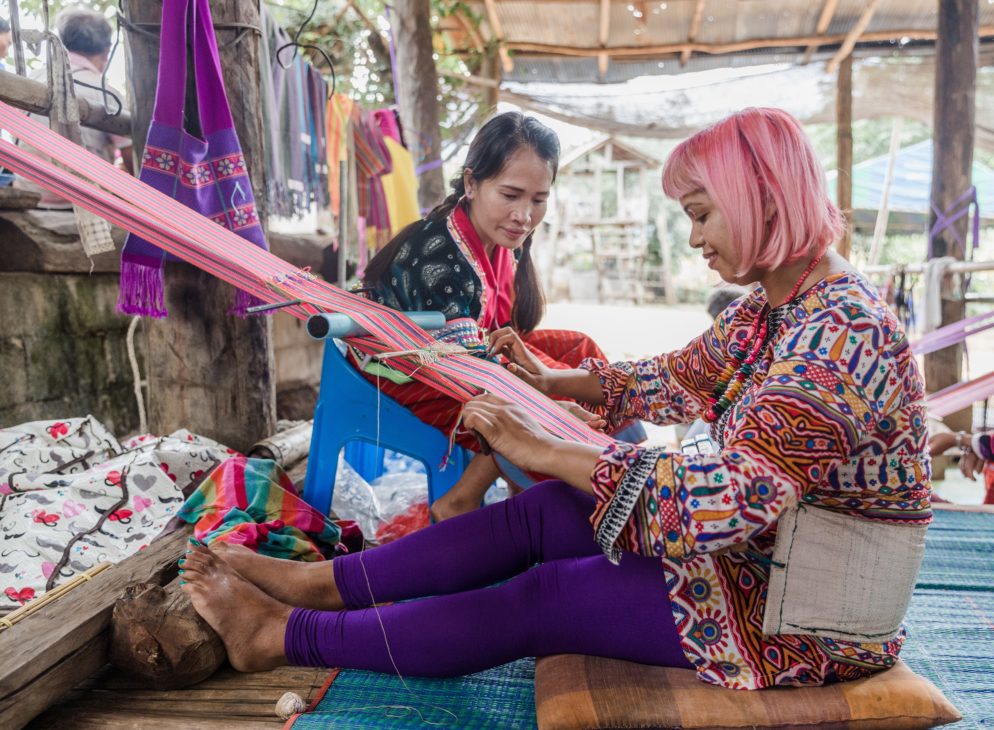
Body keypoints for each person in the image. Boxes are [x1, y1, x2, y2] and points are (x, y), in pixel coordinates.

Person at [179, 108, 931, 691]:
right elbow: (674, 378)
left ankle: (280, 636)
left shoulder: (841, 334)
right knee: (541, 510)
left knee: (543, 598)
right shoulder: (774, 309)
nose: (696, 238)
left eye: (702, 213)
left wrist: (549, 446)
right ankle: (319, 584)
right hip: (758, 560)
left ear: (760, 199)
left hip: (800, 614)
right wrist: (553, 386)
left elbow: (725, 499)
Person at [359, 111, 627, 521]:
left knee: (580, 352)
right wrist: (552, 406)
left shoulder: (505, 236)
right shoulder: (439, 255)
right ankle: (501, 506)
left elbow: (503, 334)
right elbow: (473, 373)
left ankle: (533, 491)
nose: (524, 215)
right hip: (409, 365)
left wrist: (547, 387)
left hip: (469, 351)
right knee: (551, 401)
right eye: (511, 195)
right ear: (471, 183)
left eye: (539, 200)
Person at [15, 6, 133, 207]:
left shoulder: (32, 79)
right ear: (106, 51)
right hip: (81, 202)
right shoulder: (104, 91)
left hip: (30, 192)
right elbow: (132, 160)